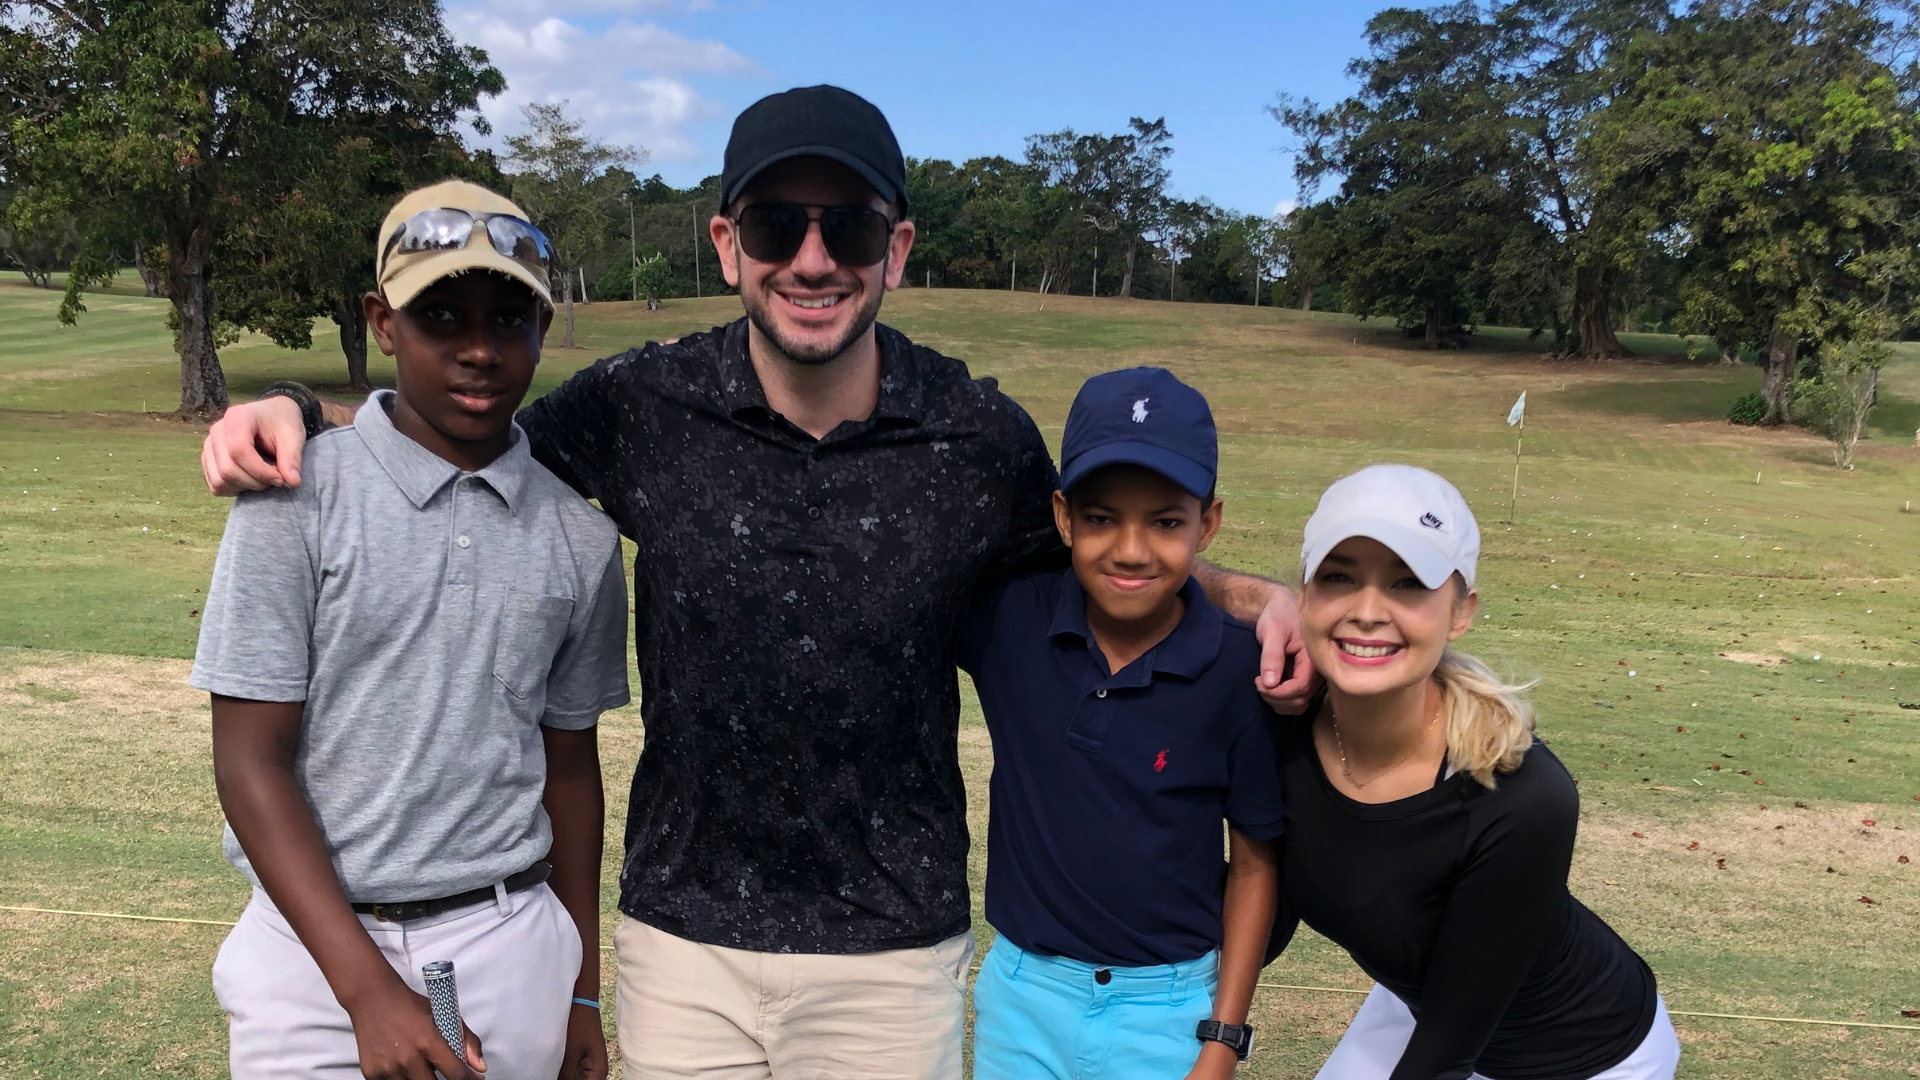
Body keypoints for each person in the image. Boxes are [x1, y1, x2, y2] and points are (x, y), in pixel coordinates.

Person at [198, 85, 1315, 1078]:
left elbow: (1117, 554)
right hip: (684, 939)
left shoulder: (977, 436)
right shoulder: (642, 406)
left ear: (898, 247)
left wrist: (1267, 601)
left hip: (891, 947)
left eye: (852, 227)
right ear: (731, 244)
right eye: (781, 225)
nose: (814, 259)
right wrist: (301, 413)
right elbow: (468, 430)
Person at [191, 180, 630, 1080]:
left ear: (543, 330)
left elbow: (570, 773)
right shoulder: (298, 495)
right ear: (382, 322)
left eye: (511, 319)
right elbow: (248, 761)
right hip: (314, 953)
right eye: (442, 317)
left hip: (507, 935)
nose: (480, 350)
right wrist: (368, 993)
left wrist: (583, 990)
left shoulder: (580, 539)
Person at [1271, 465, 1679, 1080]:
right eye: (1338, 577)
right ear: (1302, 595)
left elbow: (1442, 1062)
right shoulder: (1279, 721)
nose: (1367, 611)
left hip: (1581, 1055)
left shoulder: (1524, 798)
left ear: (1460, 612)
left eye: (1408, 584)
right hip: (1427, 1002)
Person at [959, 368, 1281, 1080]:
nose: (1131, 550)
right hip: (1022, 997)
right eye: (1102, 518)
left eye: (1166, 521)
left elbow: (1255, 863)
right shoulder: (1009, 619)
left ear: (1210, 522)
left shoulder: (1237, 670)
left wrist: (1222, 1039)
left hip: (1165, 1009)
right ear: (1063, 516)